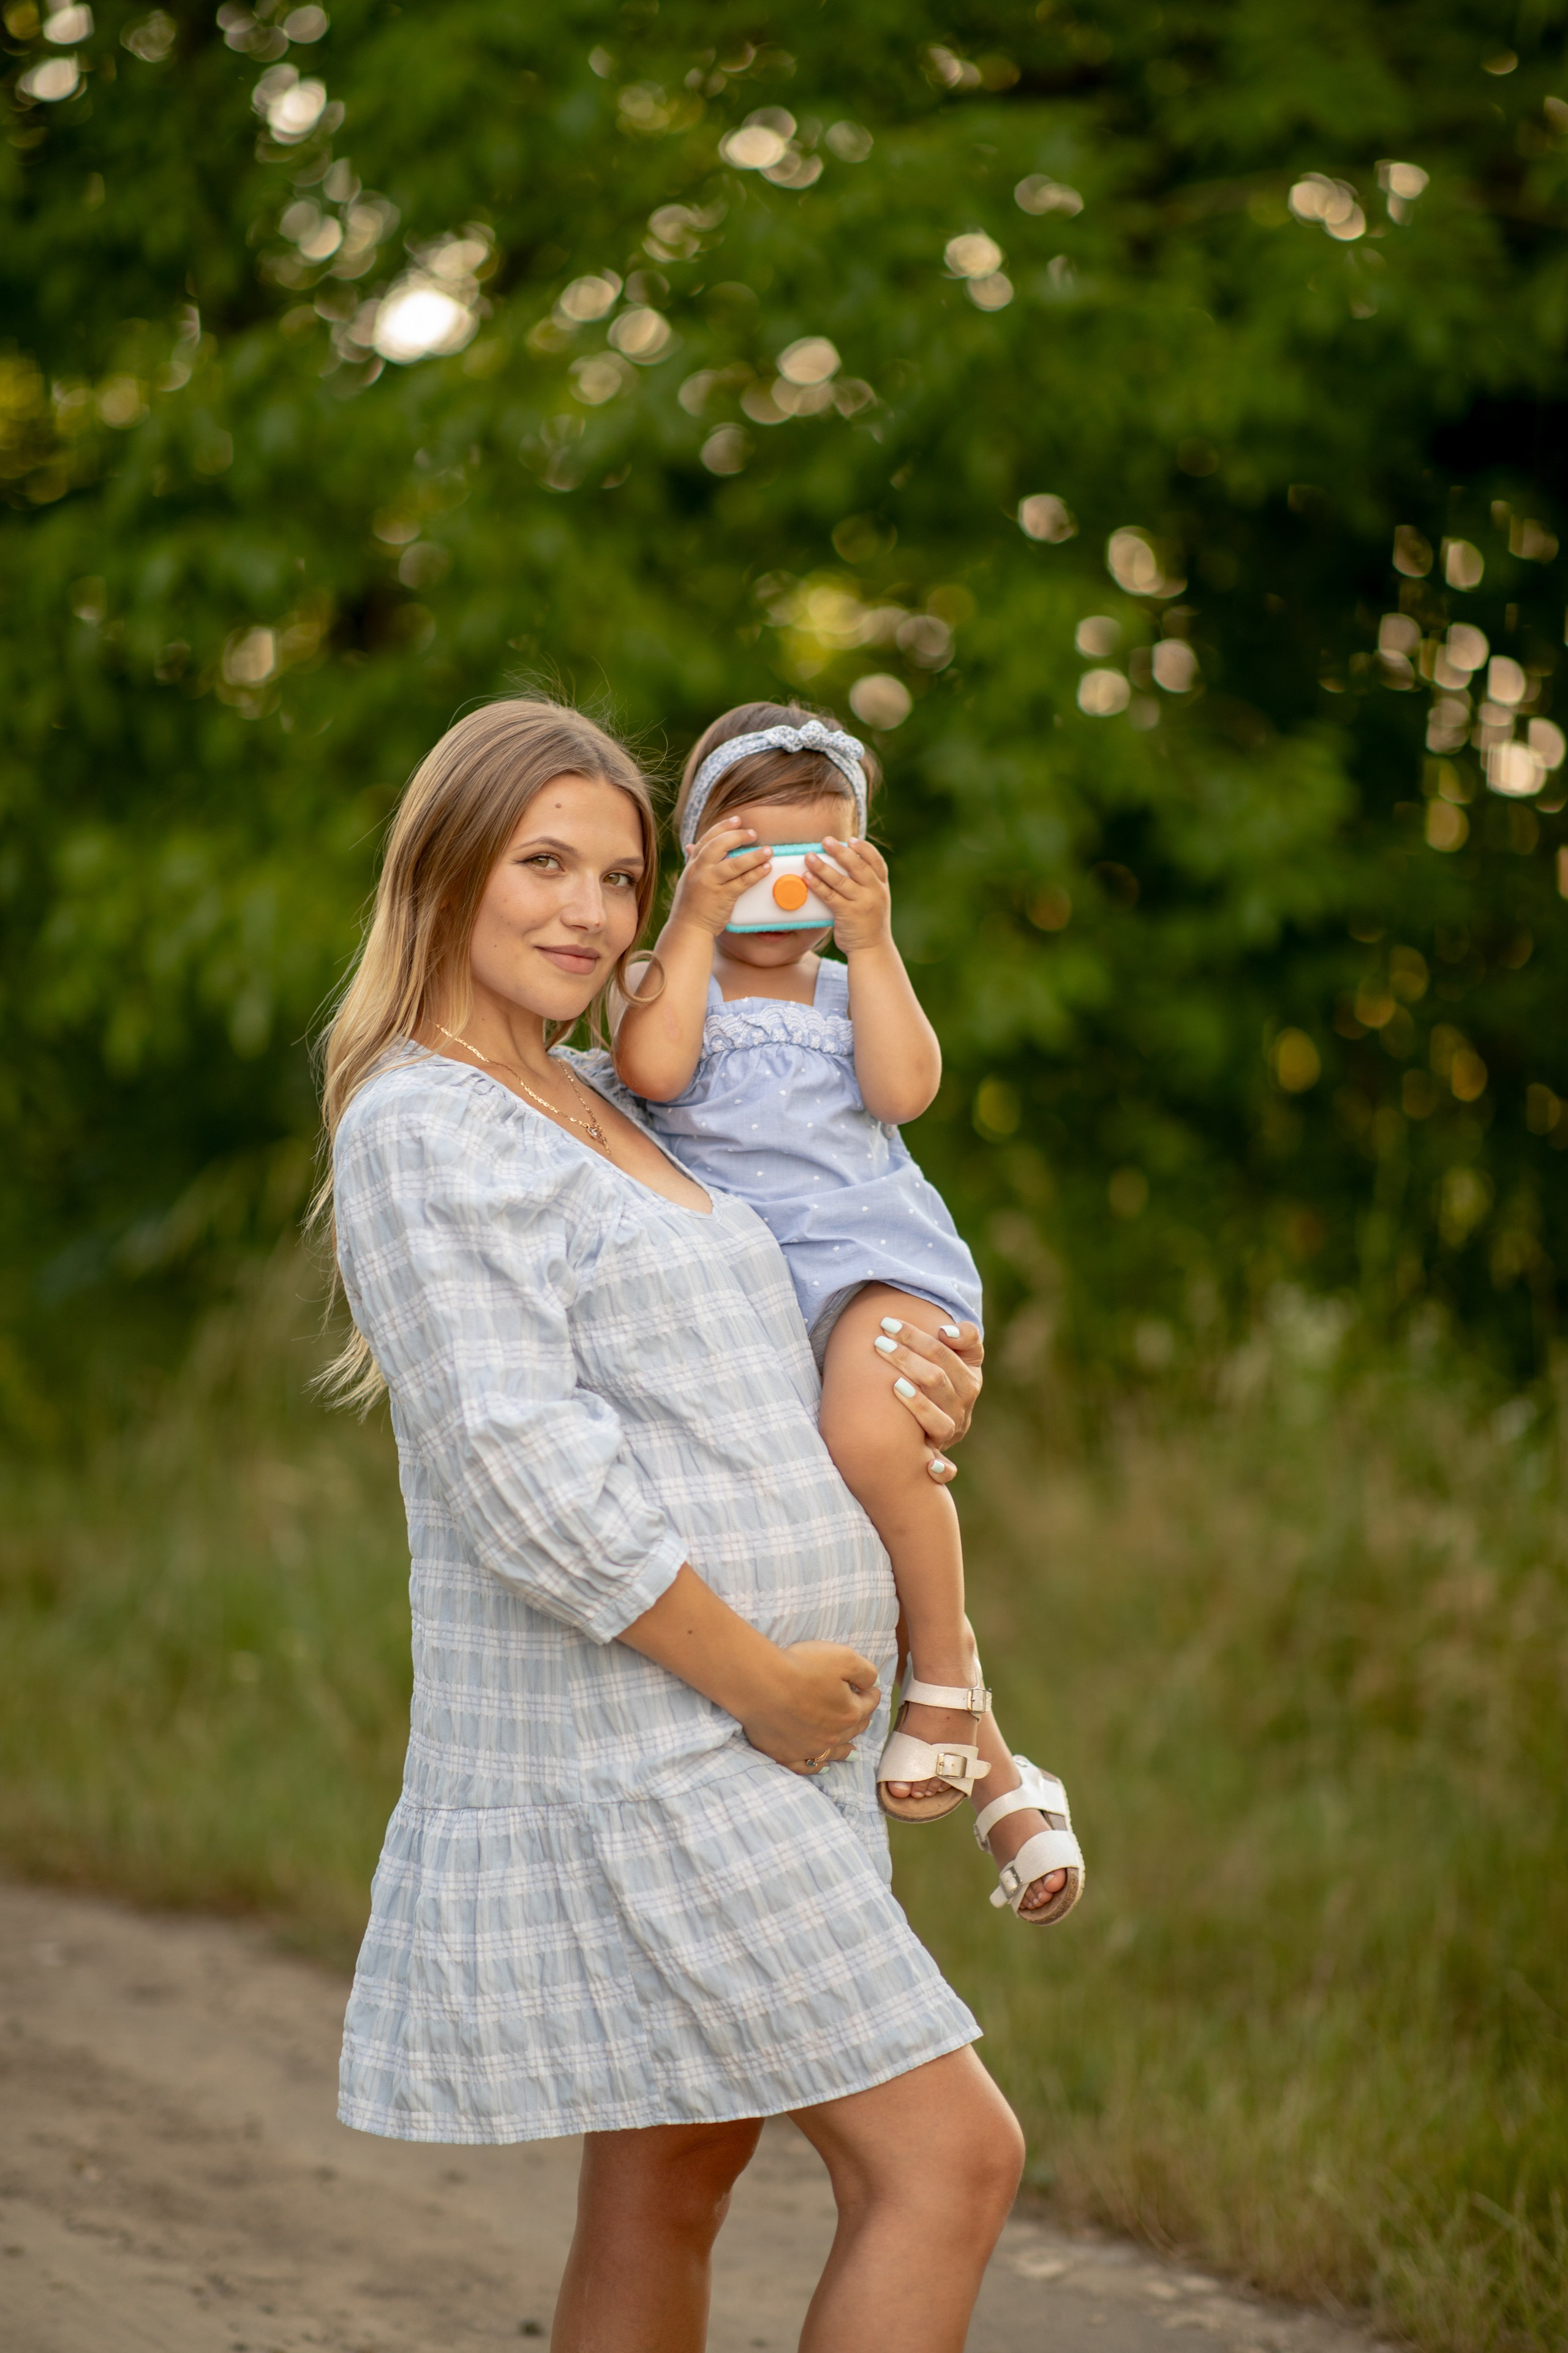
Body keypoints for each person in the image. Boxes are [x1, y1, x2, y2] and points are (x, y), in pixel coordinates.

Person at [316, 697, 1029, 2352]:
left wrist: (916, 1363)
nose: (586, 910)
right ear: (441, 870)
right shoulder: (422, 1120)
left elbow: (744, 1340)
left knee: (669, 2178)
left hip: (760, 1737)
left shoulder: (615, 1096)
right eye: (542, 862)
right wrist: (764, 1685)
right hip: (669, 1739)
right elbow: (527, 1475)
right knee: (950, 2160)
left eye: (621, 877)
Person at [614, 703, 1084, 1924]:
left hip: (875, 1267)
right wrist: (690, 922)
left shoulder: (838, 989)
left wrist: (873, 945)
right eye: (749, 855)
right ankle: (1006, 1787)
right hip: (764, 1308)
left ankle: (939, 1681)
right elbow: (655, 1072)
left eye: (815, 860)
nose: (782, 886)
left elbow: (905, 1089)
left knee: (877, 1449)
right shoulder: (660, 979)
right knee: (841, 1524)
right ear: (698, 853)